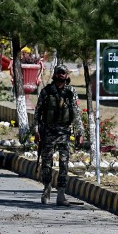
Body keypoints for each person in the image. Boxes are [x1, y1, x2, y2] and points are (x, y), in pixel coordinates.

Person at [35, 65, 84, 206]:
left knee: (64, 164)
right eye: (59, 73)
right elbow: (37, 113)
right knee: (46, 163)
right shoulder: (46, 92)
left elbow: (76, 113)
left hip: (64, 133)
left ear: (67, 76)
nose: (61, 75)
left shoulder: (71, 92)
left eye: (64, 73)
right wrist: (36, 130)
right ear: (55, 75)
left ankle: (61, 194)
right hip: (48, 133)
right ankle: (47, 188)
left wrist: (80, 131)